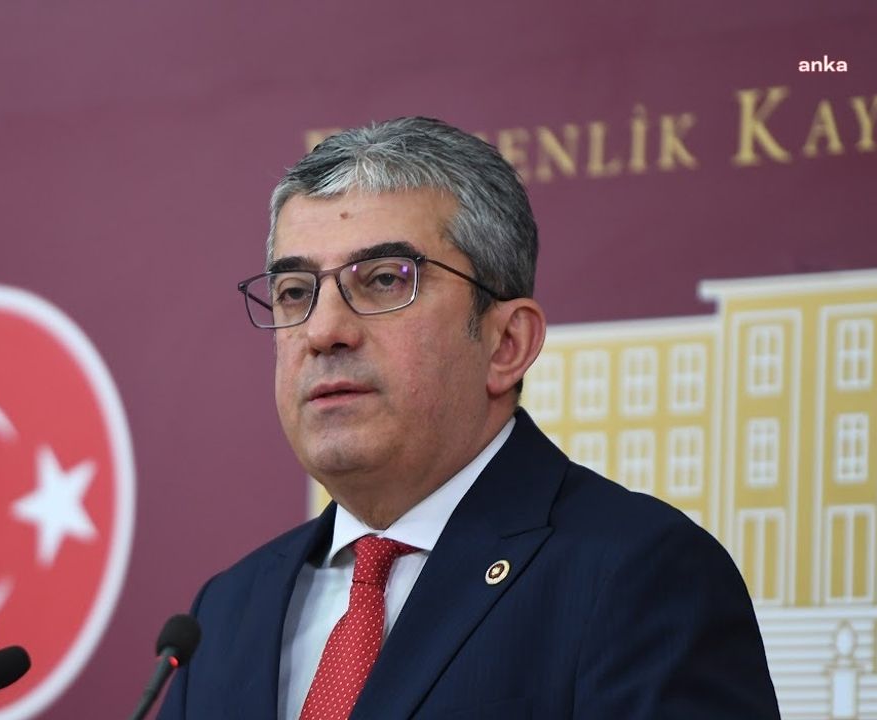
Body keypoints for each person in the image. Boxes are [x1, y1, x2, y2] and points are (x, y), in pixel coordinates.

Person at [157, 117, 779, 719]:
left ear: (506, 343)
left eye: (384, 280)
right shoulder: (223, 615)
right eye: (295, 291)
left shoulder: (637, 574)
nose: (322, 331)